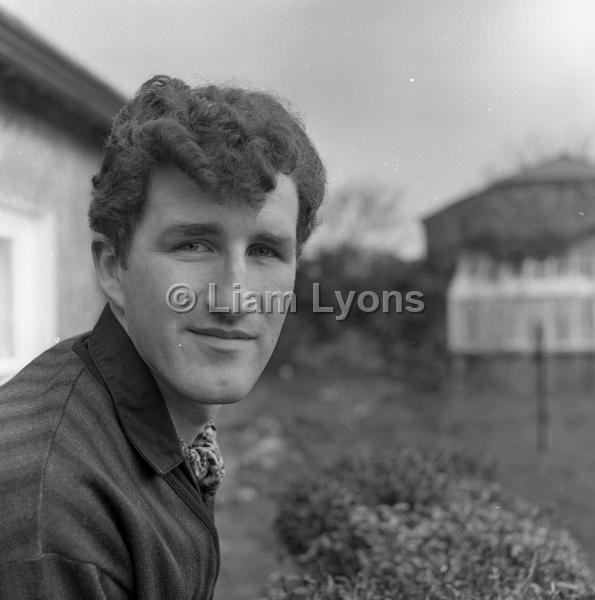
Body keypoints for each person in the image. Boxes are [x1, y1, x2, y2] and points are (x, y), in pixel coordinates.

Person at [0, 75, 326, 600]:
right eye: (194, 245)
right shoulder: (53, 513)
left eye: (265, 251)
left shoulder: (165, 428)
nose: (235, 298)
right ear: (113, 268)